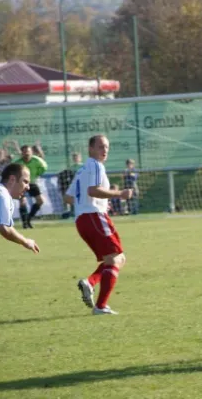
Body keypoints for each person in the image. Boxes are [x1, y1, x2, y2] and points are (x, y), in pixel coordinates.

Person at [65, 135, 133, 315]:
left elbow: (68, 197)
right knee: (115, 258)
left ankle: (91, 282)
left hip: (83, 220)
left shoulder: (81, 170)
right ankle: (101, 306)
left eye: (107, 147)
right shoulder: (95, 165)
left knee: (119, 258)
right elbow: (93, 190)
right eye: (101, 147)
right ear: (90, 149)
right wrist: (119, 194)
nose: (105, 151)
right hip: (94, 217)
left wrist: (88, 204)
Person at [0, 163, 40, 331]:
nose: (28, 187)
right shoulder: (1, 195)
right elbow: (4, 228)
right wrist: (25, 241)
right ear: (12, 179)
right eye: (25, 181)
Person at [14, 145, 48, 228]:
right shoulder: (18, 163)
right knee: (22, 202)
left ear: (31, 152)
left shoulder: (37, 160)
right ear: (21, 153)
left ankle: (29, 218)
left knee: (40, 201)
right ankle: (24, 223)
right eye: (24, 151)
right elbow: (13, 172)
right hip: (21, 184)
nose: (27, 153)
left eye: (28, 151)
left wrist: (37, 174)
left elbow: (44, 167)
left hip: (32, 183)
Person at [58, 152, 84, 219]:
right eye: (74, 157)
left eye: (77, 157)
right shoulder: (71, 168)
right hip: (74, 185)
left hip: (82, 185)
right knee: (72, 198)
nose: (75, 158)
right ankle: (72, 212)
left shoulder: (83, 166)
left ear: (80, 158)